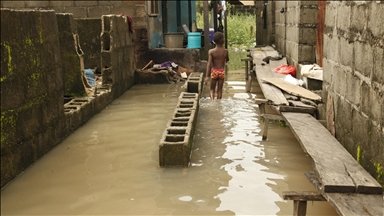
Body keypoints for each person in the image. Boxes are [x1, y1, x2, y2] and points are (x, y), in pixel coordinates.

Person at [204, 32, 229, 100]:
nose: (224, 40)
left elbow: (209, 64)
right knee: (220, 90)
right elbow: (227, 60)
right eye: (223, 38)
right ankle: (219, 103)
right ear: (222, 40)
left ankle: (212, 102)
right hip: (221, 71)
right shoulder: (225, 51)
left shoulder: (211, 52)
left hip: (214, 71)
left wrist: (207, 76)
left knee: (212, 90)